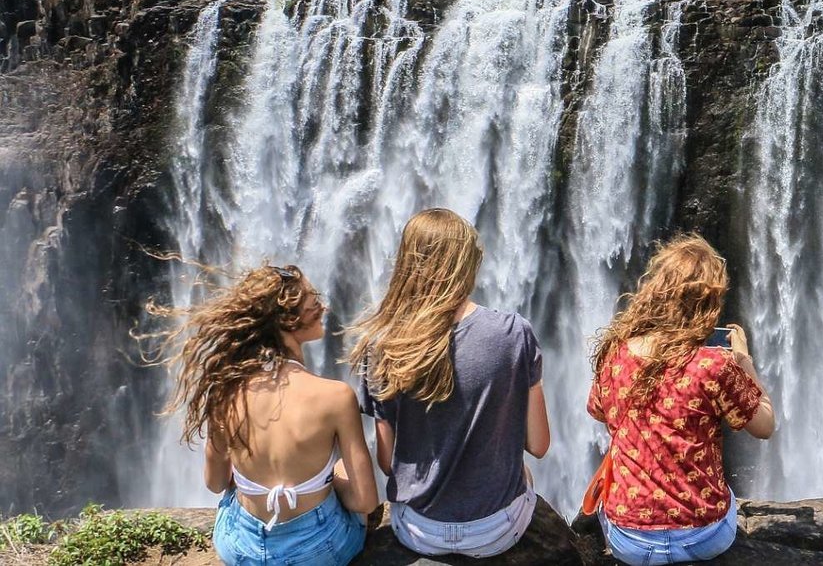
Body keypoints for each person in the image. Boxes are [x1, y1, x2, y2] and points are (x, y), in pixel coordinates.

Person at [348, 208, 551, 558]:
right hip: (496, 531)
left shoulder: (382, 344)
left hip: (417, 530)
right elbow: (539, 444)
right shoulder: (514, 332)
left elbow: (387, 461)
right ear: (468, 263)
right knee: (525, 474)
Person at [156, 263, 379, 566]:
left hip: (241, 547)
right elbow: (366, 500)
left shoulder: (226, 388)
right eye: (315, 302)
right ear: (288, 320)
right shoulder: (336, 396)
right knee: (341, 470)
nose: (324, 306)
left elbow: (216, 483)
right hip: (319, 551)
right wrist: (330, 480)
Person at [587, 234, 775, 566]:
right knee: (728, 500)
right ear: (709, 304)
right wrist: (745, 363)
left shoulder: (615, 354)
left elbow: (600, 412)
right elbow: (765, 426)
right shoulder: (714, 366)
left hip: (628, 539)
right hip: (703, 537)